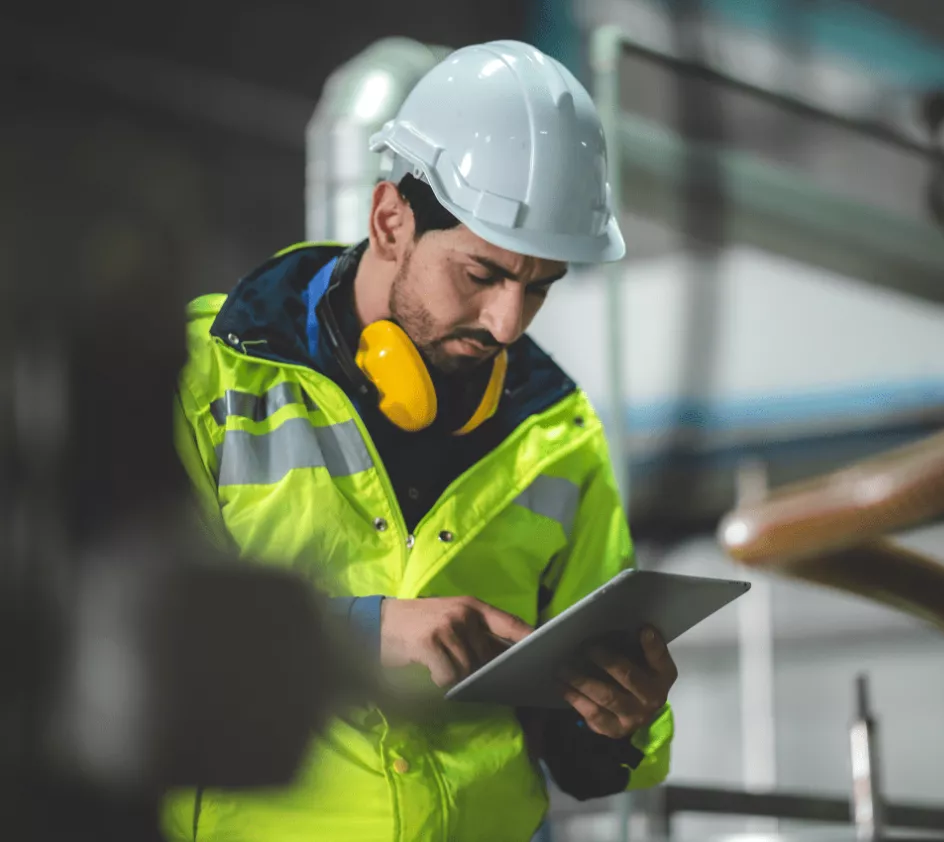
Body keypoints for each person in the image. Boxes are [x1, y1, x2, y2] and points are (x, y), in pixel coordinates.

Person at [162, 39, 677, 842]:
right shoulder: (208, 380)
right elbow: (131, 647)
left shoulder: (556, 435)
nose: (508, 322)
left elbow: (583, 762)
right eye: (481, 275)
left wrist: (619, 719)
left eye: (539, 287)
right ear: (390, 220)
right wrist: (366, 634)